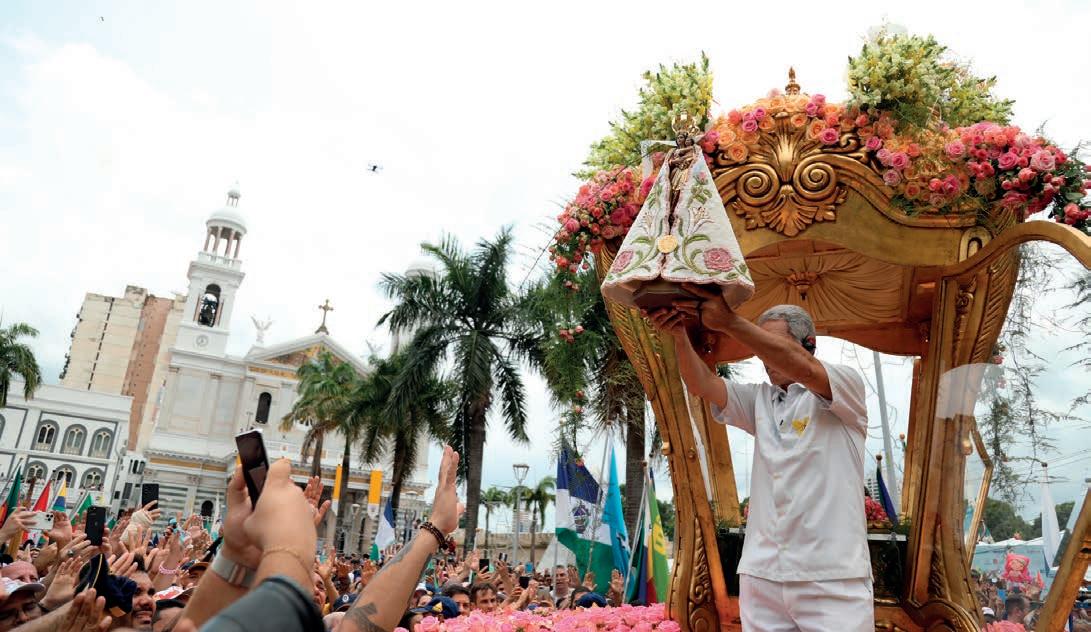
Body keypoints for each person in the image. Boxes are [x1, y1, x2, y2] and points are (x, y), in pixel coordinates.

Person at [648, 294, 873, 631]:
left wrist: (729, 322)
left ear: (809, 345)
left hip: (831, 576)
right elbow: (701, 384)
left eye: (773, 345)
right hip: (761, 575)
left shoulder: (845, 386)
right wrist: (679, 334)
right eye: (761, 347)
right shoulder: (760, 400)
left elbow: (805, 369)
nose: (766, 356)